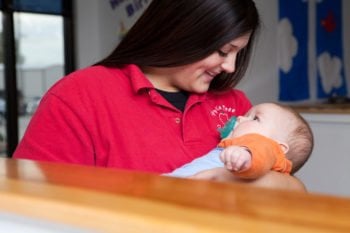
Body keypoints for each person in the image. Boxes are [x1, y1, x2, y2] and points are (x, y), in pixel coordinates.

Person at [12, 0, 305, 190]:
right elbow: (35, 198)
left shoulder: (235, 105)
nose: (229, 67)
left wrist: (219, 177)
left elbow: (294, 189)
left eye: (237, 54)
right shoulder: (79, 96)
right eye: (223, 51)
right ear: (182, 32)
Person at [166, 103, 314, 178]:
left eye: (255, 118)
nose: (240, 118)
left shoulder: (262, 147)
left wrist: (245, 156)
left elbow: (261, 156)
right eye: (247, 114)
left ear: (279, 148)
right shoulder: (233, 145)